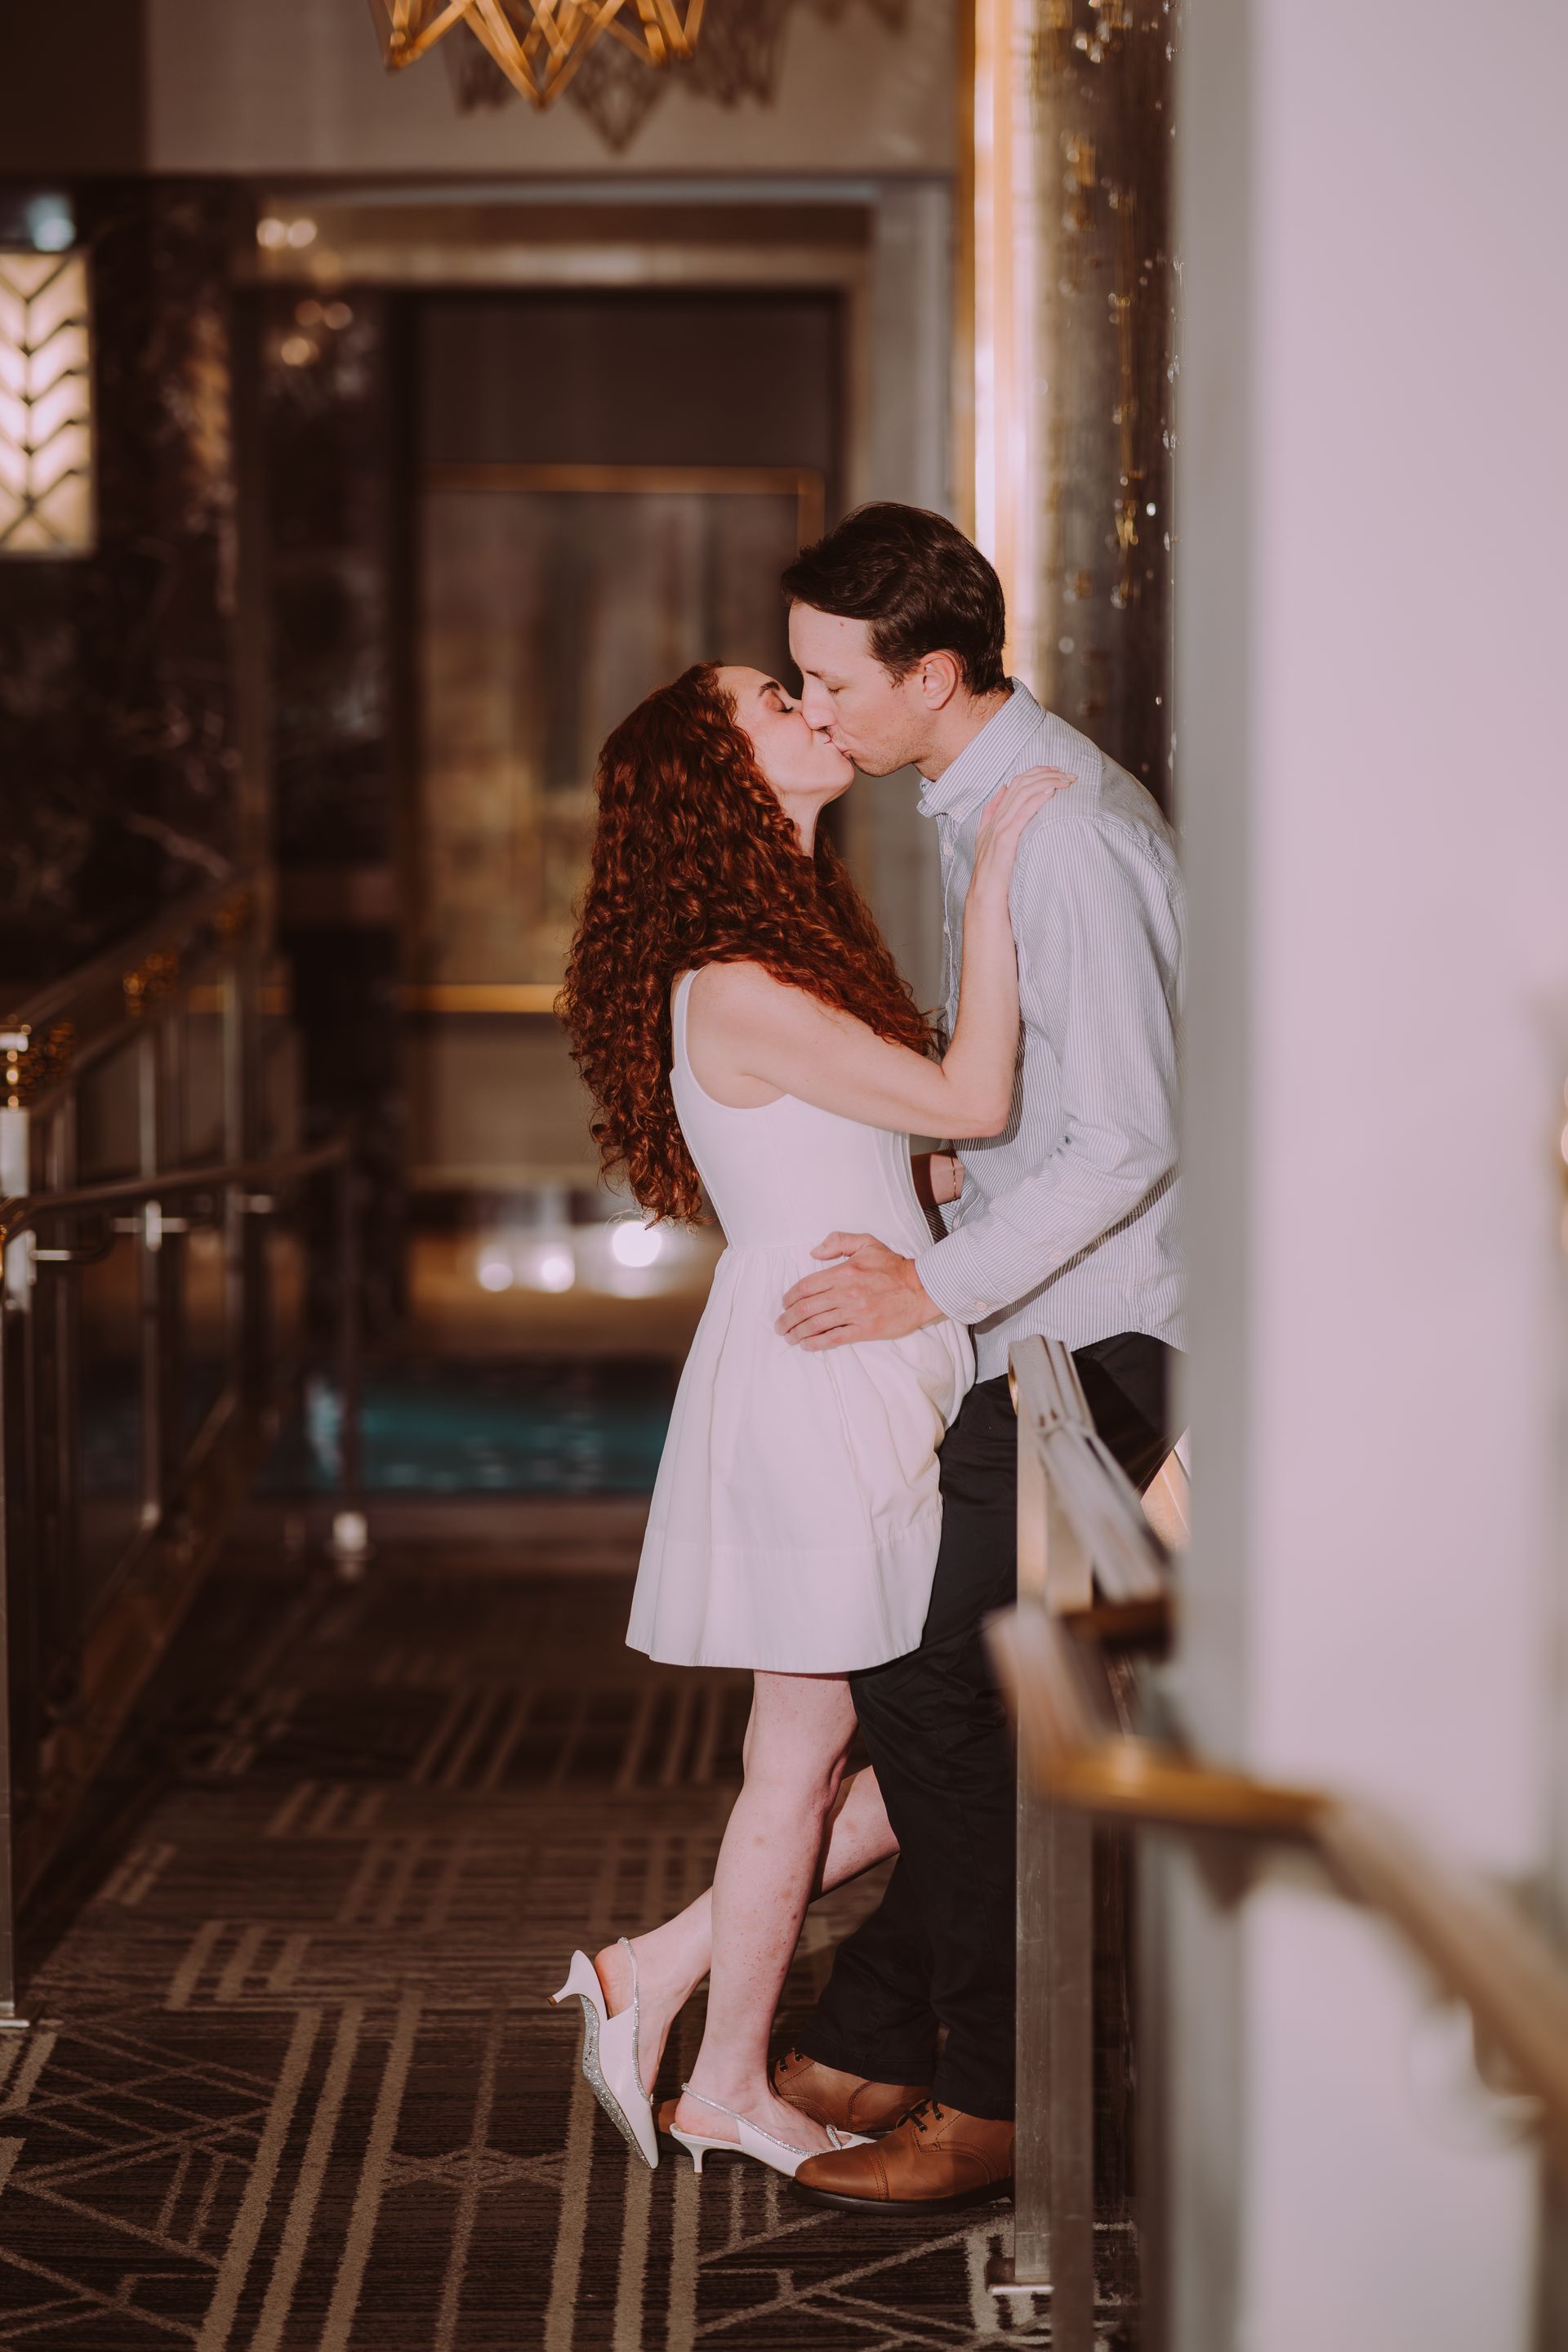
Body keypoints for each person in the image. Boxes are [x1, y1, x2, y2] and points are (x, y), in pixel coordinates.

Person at [550, 661, 1067, 2178]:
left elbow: (921, 1160)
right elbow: (970, 1102)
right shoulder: (743, 980)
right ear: (724, 775)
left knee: (880, 1740)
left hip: (858, 1353)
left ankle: (667, 1989)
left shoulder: (786, 951)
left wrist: (933, 1213)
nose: (811, 703)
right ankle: (708, 2065)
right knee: (830, 1751)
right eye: (777, 698)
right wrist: (1004, 875)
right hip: (818, 1374)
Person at [768, 503, 1186, 2213]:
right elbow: (1052, 1098)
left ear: (931, 679)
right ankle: (896, 2028)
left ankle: (996, 2092)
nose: (809, 714)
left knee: (942, 1686)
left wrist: (932, 1286)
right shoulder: (980, 791)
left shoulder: (1062, 827)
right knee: (934, 1685)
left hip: (1106, 1330)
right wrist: (954, 1161)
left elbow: (1133, 1140)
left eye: (825, 684)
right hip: (1051, 1311)